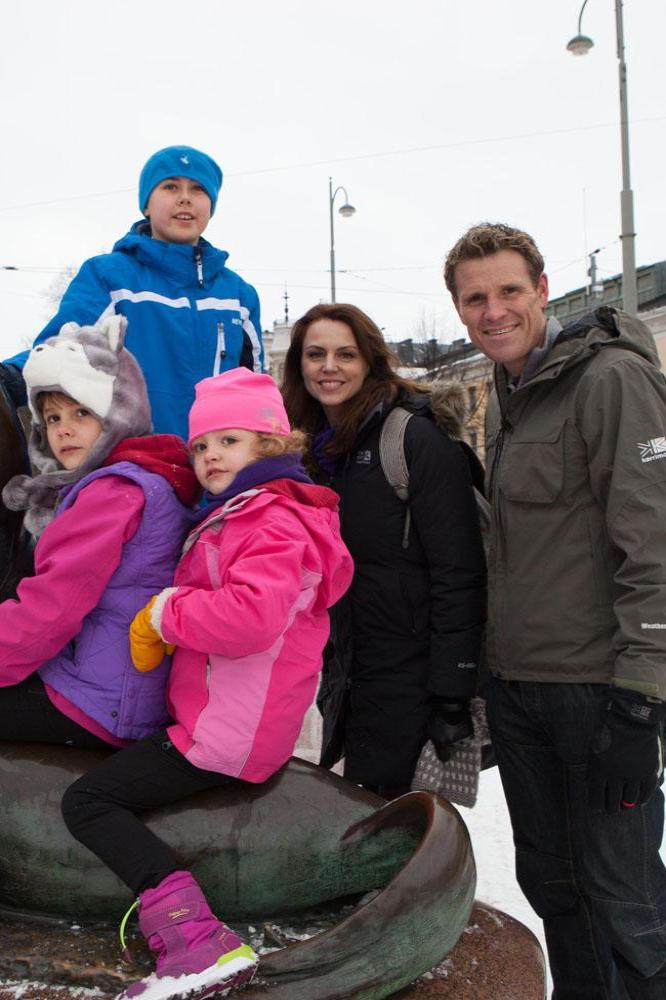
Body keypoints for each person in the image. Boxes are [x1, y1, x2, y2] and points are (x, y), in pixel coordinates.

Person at [61, 367, 353, 1000]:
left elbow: (253, 617)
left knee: (88, 802)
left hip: (227, 734)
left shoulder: (270, 519)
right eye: (200, 445)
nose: (210, 455)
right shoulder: (247, 513)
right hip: (225, 719)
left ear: (270, 445)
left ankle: (195, 940)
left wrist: (166, 613)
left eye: (230, 440)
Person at [444, 222, 666, 999]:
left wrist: (641, 703)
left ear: (543, 290)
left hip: (597, 691)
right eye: (475, 298)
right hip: (522, 691)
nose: (494, 310)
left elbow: (655, 545)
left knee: (627, 905)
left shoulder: (608, 381)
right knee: (557, 891)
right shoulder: (508, 397)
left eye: (509, 290)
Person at [281, 302, 487, 800]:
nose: (329, 367)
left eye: (345, 354)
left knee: (395, 823)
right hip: (346, 668)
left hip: (410, 675)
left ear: (370, 361)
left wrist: (453, 693)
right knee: (355, 810)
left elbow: (459, 570)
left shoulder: (414, 438)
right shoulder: (307, 450)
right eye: (316, 354)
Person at [0, 315, 196, 749]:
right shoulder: (143, 477)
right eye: (51, 418)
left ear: (118, 413)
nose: (63, 428)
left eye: (81, 412)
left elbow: (49, 611)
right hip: (114, 686)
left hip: (96, 701)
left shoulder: (112, 493)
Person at [1, 145, 263, 439]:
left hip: (217, 465)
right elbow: (63, 345)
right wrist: (9, 377)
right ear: (147, 205)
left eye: (198, 189)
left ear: (211, 207)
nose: (185, 198)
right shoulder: (109, 276)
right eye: (170, 186)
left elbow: (256, 391)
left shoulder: (238, 295)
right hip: (136, 464)